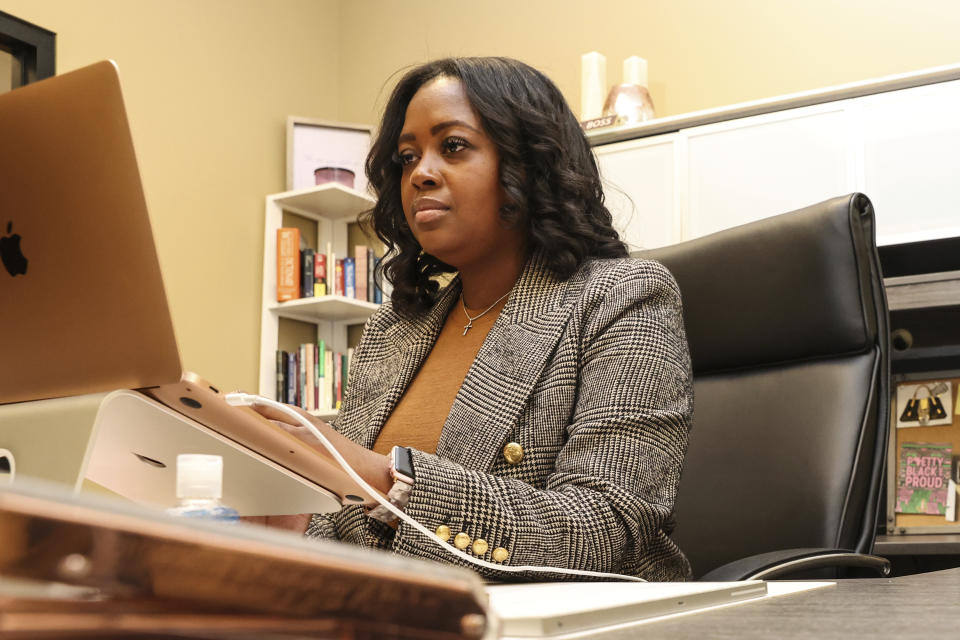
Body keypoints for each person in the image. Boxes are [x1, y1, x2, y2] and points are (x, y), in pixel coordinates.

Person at [252, 56, 693, 582]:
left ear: (529, 164)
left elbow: (603, 531)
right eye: (408, 157)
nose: (421, 173)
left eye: (453, 146)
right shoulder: (394, 328)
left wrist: (386, 478)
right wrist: (294, 521)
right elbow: (351, 520)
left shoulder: (623, 296)